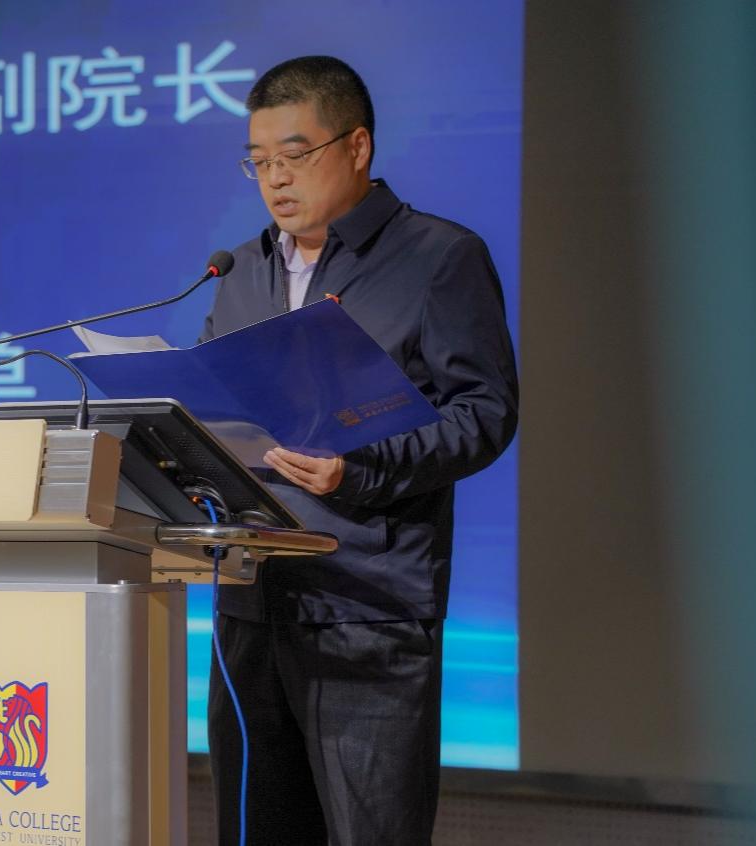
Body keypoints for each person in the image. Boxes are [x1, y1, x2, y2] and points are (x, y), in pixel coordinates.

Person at [200, 56, 519, 845]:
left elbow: (484, 413)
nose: (275, 178)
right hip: (251, 604)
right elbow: (210, 406)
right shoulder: (241, 270)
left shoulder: (438, 257)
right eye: (258, 161)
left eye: (294, 155)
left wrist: (362, 469)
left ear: (357, 146)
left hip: (367, 613)